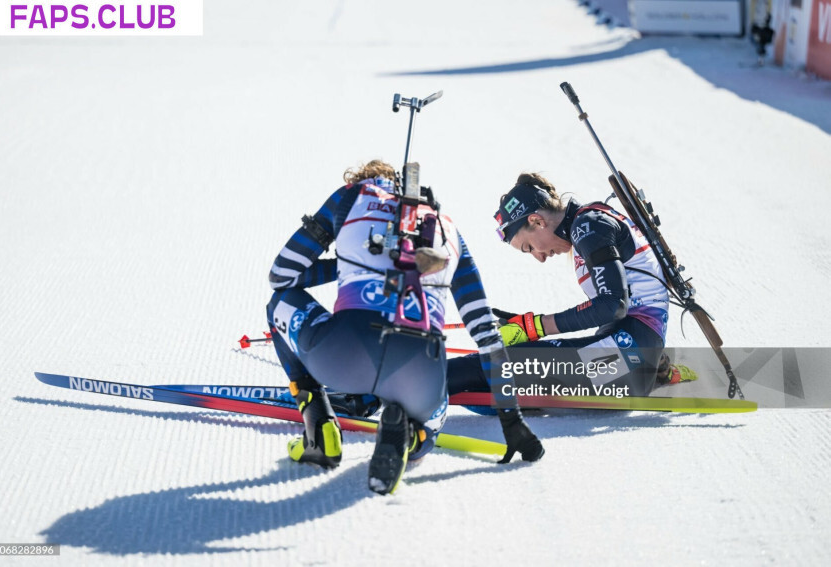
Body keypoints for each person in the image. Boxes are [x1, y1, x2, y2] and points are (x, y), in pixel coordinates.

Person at [266, 160, 544, 495]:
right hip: (420, 374)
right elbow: (486, 332)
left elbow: (282, 277)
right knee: (429, 413)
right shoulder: (450, 231)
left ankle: (319, 428)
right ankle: (413, 436)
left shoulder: (350, 196)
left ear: (369, 182)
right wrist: (511, 420)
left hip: (342, 354)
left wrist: (349, 264)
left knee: (279, 302)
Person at [447, 173, 696, 399]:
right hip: (628, 355)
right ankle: (656, 368)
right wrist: (527, 327)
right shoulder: (588, 224)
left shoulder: (589, 226)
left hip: (624, 363)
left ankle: (415, 385)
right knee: (499, 367)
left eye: (529, 247)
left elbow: (612, 305)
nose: (540, 257)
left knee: (495, 365)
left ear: (536, 220)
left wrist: (534, 327)